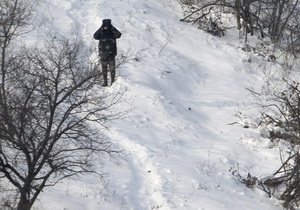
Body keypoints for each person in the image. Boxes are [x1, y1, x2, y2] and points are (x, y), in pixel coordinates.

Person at [93, 19, 122, 86]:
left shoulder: (112, 33)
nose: (106, 26)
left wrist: (112, 27)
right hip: (103, 53)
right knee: (104, 69)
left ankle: (112, 82)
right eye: (105, 25)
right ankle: (105, 82)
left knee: (112, 69)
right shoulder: (101, 33)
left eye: (107, 25)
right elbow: (95, 36)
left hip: (111, 53)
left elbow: (119, 35)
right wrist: (101, 28)